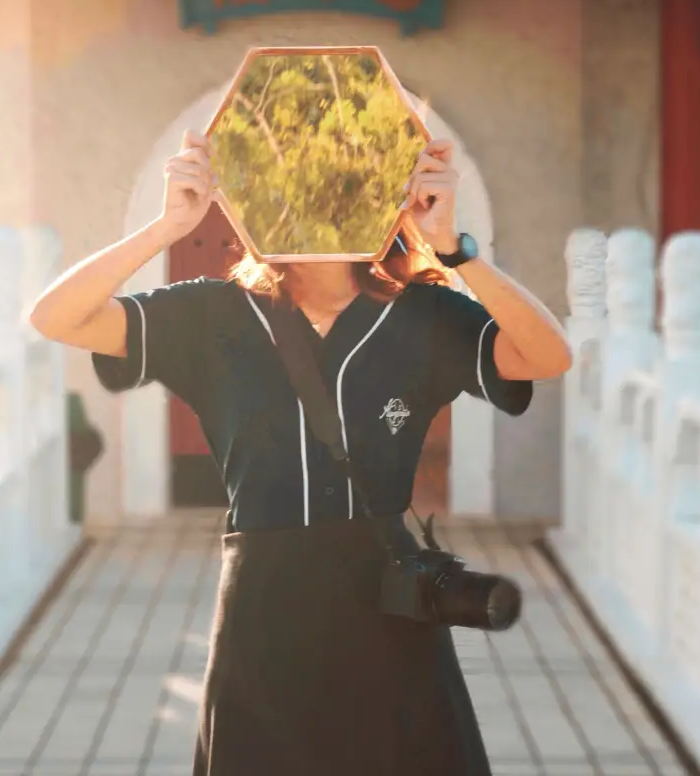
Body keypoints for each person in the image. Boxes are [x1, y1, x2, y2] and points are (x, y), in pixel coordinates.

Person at [29, 129, 572, 776]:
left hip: (387, 599)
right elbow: (56, 317)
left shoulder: (425, 315)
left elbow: (547, 355)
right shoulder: (212, 314)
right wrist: (164, 228)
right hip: (264, 603)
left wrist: (456, 251)